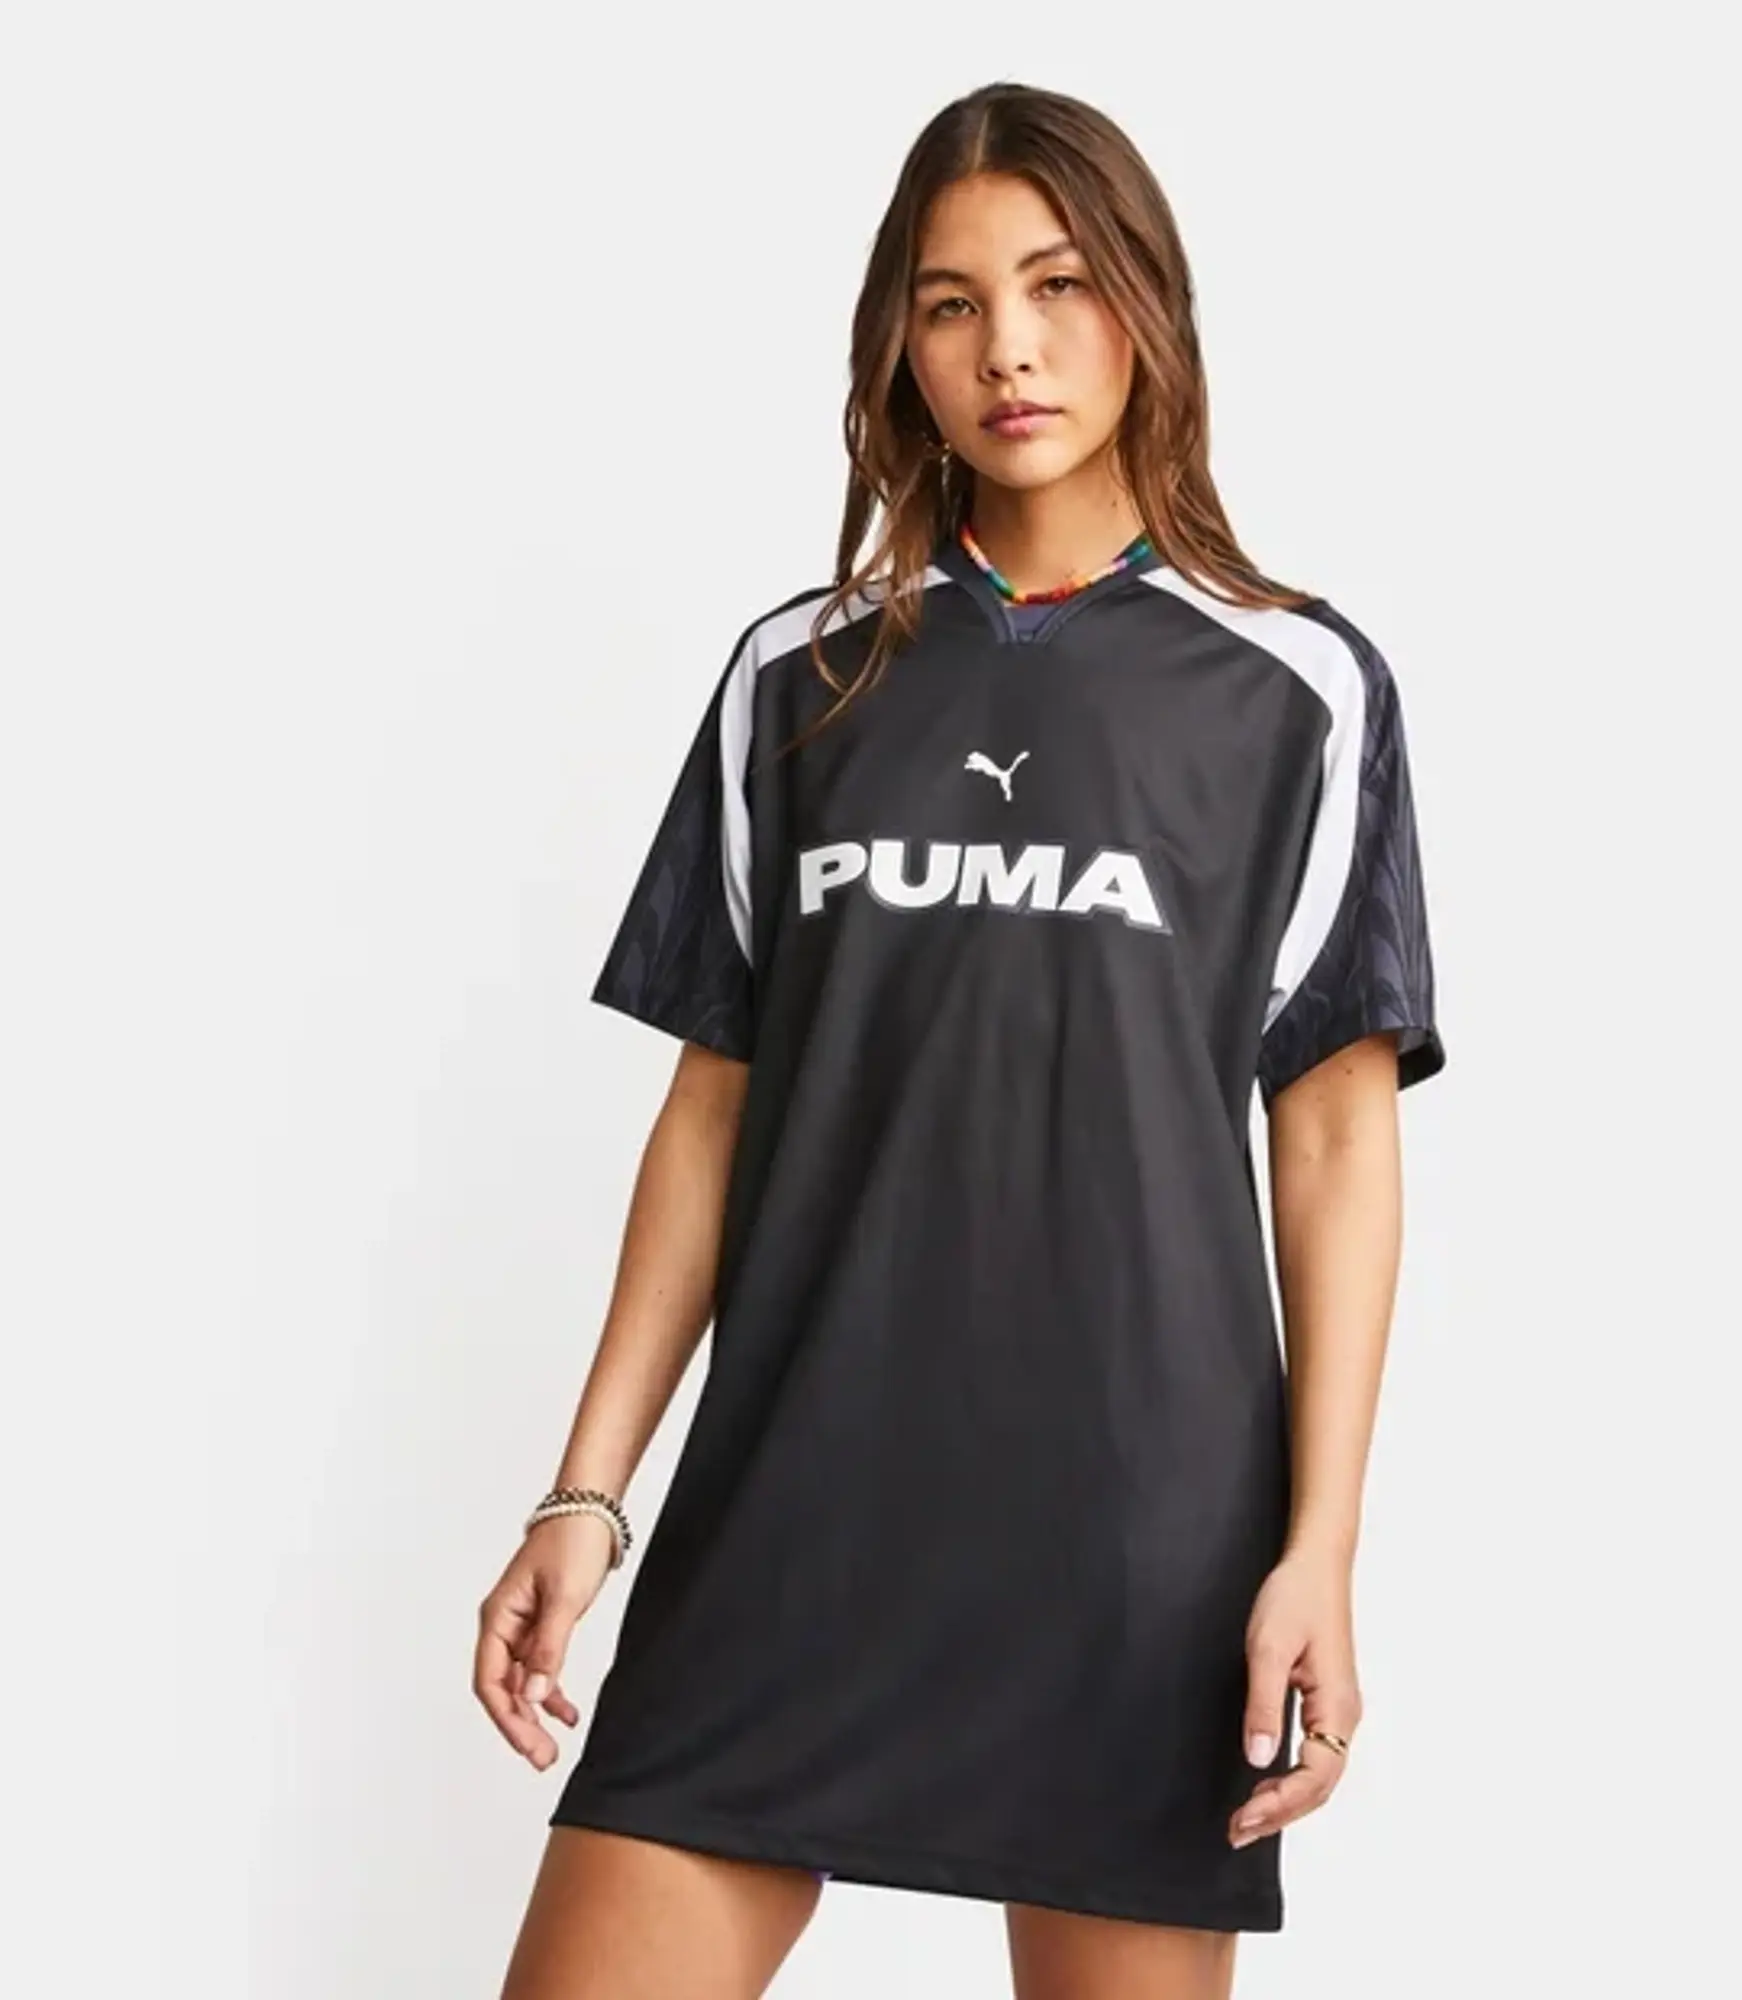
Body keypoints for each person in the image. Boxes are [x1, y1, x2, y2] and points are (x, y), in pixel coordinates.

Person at [478, 78, 1445, 2000]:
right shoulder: (803, 673)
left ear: (1147, 307)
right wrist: (588, 1490)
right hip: (799, 1509)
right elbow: (713, 1109)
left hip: (1137, 1546)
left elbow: (1335, 1141)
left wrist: (1320, 1545)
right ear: (899, 348)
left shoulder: (1299, 688)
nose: (1010, 346)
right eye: (952, 302)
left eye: (1061, 285)